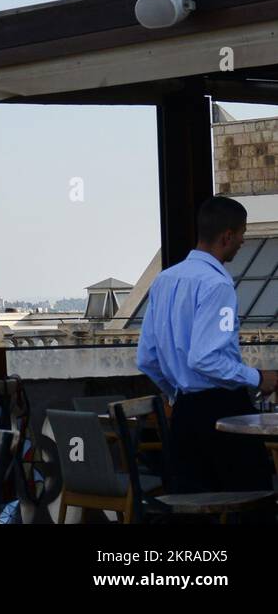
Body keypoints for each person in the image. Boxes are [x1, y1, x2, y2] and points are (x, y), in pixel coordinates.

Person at [136, 195, 277, 493]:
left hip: (185, 415)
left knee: (194, 507)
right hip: (223, 413)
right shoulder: (218, 285)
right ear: (227, 236)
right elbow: (205, 358)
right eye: (242, 233)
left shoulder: (164, 280)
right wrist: (258, 378)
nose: (242, 241)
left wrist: (178, 393)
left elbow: (146, 358)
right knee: (256, 498)